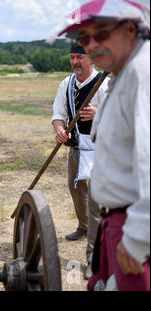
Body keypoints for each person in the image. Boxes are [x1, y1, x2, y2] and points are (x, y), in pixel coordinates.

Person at [56, 0, 150, 291]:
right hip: (117, 223)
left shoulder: (141, 74)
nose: (92, 45)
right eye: (85, 38)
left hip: (132, 225)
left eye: (102, 33)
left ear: (130, 30)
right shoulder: (124, 73)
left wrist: (136, 239)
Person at [51, 42, 109, 280]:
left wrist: (100, 113)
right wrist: (60, 130)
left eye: (80, 57)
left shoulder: (105, 84)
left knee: (97, 206)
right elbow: (57, 114)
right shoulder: (66, 84)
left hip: (101, 151)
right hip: (76, 149)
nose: (75, 62)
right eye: (72, 57)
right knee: (77, 192)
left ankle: (93, 260)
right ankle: (84, 227)